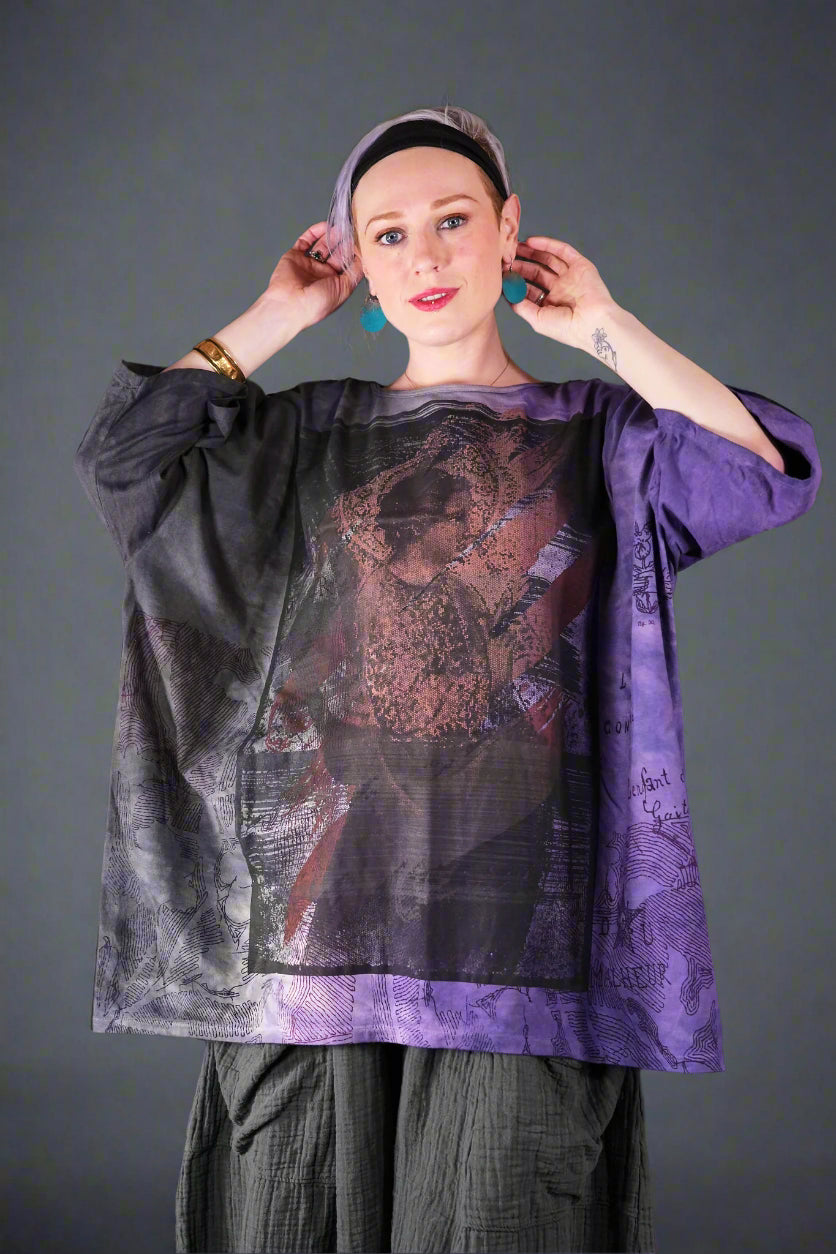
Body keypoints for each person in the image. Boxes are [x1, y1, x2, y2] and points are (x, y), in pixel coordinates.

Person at [73, 104, 821, 1254]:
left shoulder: (598, 436)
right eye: (387, 234)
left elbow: (760, 472)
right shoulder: (304, 437)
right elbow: (126, 459)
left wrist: (605, 327)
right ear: (357, 262)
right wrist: (279, 314)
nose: (422, 256)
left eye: (452, 220)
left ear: (508, 227)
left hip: (515, 963)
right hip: (309, 961)